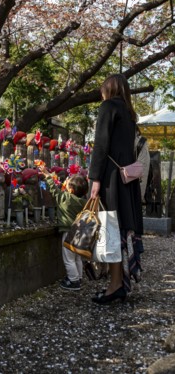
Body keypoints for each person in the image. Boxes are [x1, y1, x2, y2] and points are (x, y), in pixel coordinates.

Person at [89, 73, 143, 305]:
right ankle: (118, 283)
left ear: (108, 89)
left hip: (111, 178)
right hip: (126, 180)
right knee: (119, 231)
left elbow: (100, 144)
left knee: (110, 231)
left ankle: (115, 285)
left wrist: (94, 179)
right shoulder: (130, 114)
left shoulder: (108, 106)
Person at [44, 171, 88, 291]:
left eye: (68, 183)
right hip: (80, 232)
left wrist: (48, 176)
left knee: (68, 258)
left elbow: (54, 190)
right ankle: (79, 277)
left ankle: (73, 281)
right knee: (77, 257)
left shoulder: (65, 198)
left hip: (69, 231)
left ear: (71, 190)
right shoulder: (84, 202)